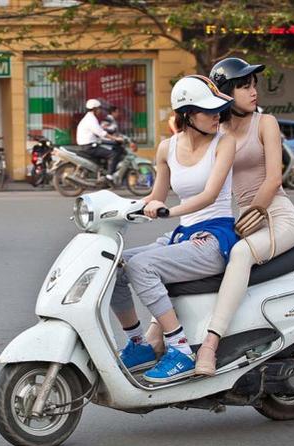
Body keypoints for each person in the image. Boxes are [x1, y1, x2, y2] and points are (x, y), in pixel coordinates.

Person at [144, 57, 294, 377]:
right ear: (228, 92)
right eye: (245, 86)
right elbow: (200, 183)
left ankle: (210, 344)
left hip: (275, 216)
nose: (253, 91)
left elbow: (274, 178)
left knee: (241, 254)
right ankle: (153, 334)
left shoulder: (265, 123)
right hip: (240, 219)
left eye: (254, 84)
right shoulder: (218, 129)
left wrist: (258, 210)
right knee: (170, 248)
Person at [111, 75, 237, 383]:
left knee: (141, 266)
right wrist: (119, 209)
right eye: (208, 111)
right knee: (113, 265)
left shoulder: (225, 143)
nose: (216, 116)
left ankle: (180, 350)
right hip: (182, 236)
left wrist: (170, 211)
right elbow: (156, 196)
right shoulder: (167, 148)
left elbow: (208, 195)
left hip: (213, 239)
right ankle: (139, 344)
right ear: (187, 114)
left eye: (218, 109)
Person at [76, 99, 125, 182]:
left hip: (91, 143)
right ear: (94, 109)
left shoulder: (90, 118)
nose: (100, 111)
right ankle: (109, 176)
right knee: (113, 154)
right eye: (99, 109)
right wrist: (115, 138)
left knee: (109, 148)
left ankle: (103, 172)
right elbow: (101, 133)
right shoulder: (91, 119)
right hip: (89, 146)